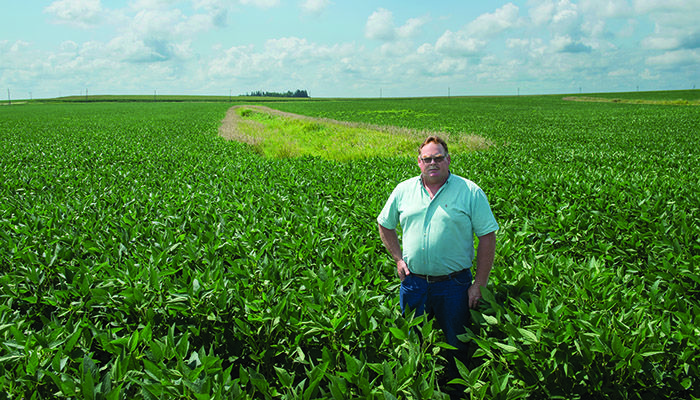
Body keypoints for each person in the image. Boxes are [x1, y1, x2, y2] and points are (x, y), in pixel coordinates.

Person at [377, 135, 498, 388]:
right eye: (427, 159)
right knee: (413, 346)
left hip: (454, 286)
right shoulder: (404, 190)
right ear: (419, 162)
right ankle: (418, 390)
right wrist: (398, 259)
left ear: (448, 160)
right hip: (414, 284)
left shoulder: (469, 191)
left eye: (438, 158)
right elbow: (384, 224)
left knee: (457, 346)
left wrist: (479, 284)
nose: (433, 163)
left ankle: (455, 391)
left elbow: (487, 236)